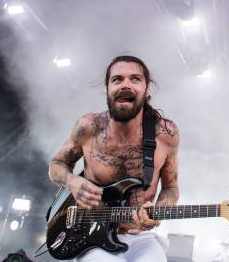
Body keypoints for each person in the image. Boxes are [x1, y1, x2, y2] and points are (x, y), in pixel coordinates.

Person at [48, 55, 180, 262]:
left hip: (141, 237)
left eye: (135, 79)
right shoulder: (89, 126)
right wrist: (72, 181)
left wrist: (159, 211)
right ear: (107, 88)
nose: (125, 85)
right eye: (117, 79)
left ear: (146, 89)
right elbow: (57, 165)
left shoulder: (165, 133)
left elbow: (171, 187)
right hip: (90, 236)